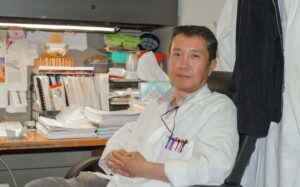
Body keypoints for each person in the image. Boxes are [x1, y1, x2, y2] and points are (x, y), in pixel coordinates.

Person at [25, 25, 239, 187]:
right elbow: (128, 132)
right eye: (177, 54)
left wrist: (147, 169)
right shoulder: (161, 101)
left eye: (194, 56)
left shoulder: (219, 108)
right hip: (117, 181)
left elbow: (215, 168)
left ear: (211, 66)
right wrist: (115, 155)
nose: (183, 64)